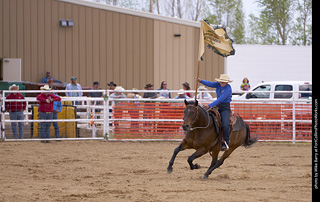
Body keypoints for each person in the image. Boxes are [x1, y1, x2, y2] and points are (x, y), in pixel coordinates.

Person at [197, 74, 233, 151]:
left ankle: (226, 142)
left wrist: (209, 105)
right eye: (221, 81)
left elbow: (220, 99)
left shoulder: (228, 89)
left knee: (225, 124)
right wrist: (201, 81)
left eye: (223, 82)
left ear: (226, 82)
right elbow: (210, 84)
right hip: (217, 106)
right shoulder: (218, 85)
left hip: (225, 107)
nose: (221, 83)